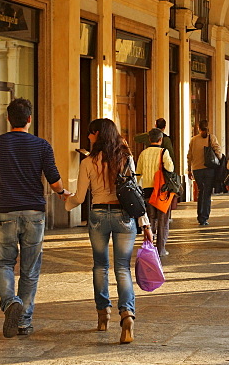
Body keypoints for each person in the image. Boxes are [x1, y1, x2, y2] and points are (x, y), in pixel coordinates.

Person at [0, 98, 69, 339]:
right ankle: (23, 322)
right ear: (30, 119)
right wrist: (63, 193)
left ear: (9, 119)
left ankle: (10, 302)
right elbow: (54, 179)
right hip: (34, 213)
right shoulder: (41, 145)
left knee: (3, 264)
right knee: (30, 269)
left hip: (6, 211)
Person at [65, 118, 153, 344]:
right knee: (122, 268)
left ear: (97, 134)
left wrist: (66, 202)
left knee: (100, 266)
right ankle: (127, 316)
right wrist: (145, 223)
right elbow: (135, 192)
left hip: (98, 216)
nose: (88, 137)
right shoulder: (125, 158)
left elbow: (79, 198)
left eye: (90, 134)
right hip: (124, 216)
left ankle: (103, 313)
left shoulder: (88, 162)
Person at [135, 128, 174, 257]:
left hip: (147, 191)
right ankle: (161, 249)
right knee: (163, 220)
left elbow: (138, 173)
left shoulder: (143, 153)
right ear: (161, 139)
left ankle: (149, 246)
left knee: (150, 220)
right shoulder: (164, 152)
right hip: (161, 191)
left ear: (149, 139)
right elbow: (170, 168)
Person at [186, 120, 222, 226]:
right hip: (209, 169)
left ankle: (200, 215)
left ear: (198, 128)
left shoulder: (193, 140)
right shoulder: (212, 138)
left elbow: (189, 156)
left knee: (201, 192)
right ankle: (204, 217)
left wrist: (189, 169)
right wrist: (218, 161)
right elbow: (218, 151)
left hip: (197, 170)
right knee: (207, 193)